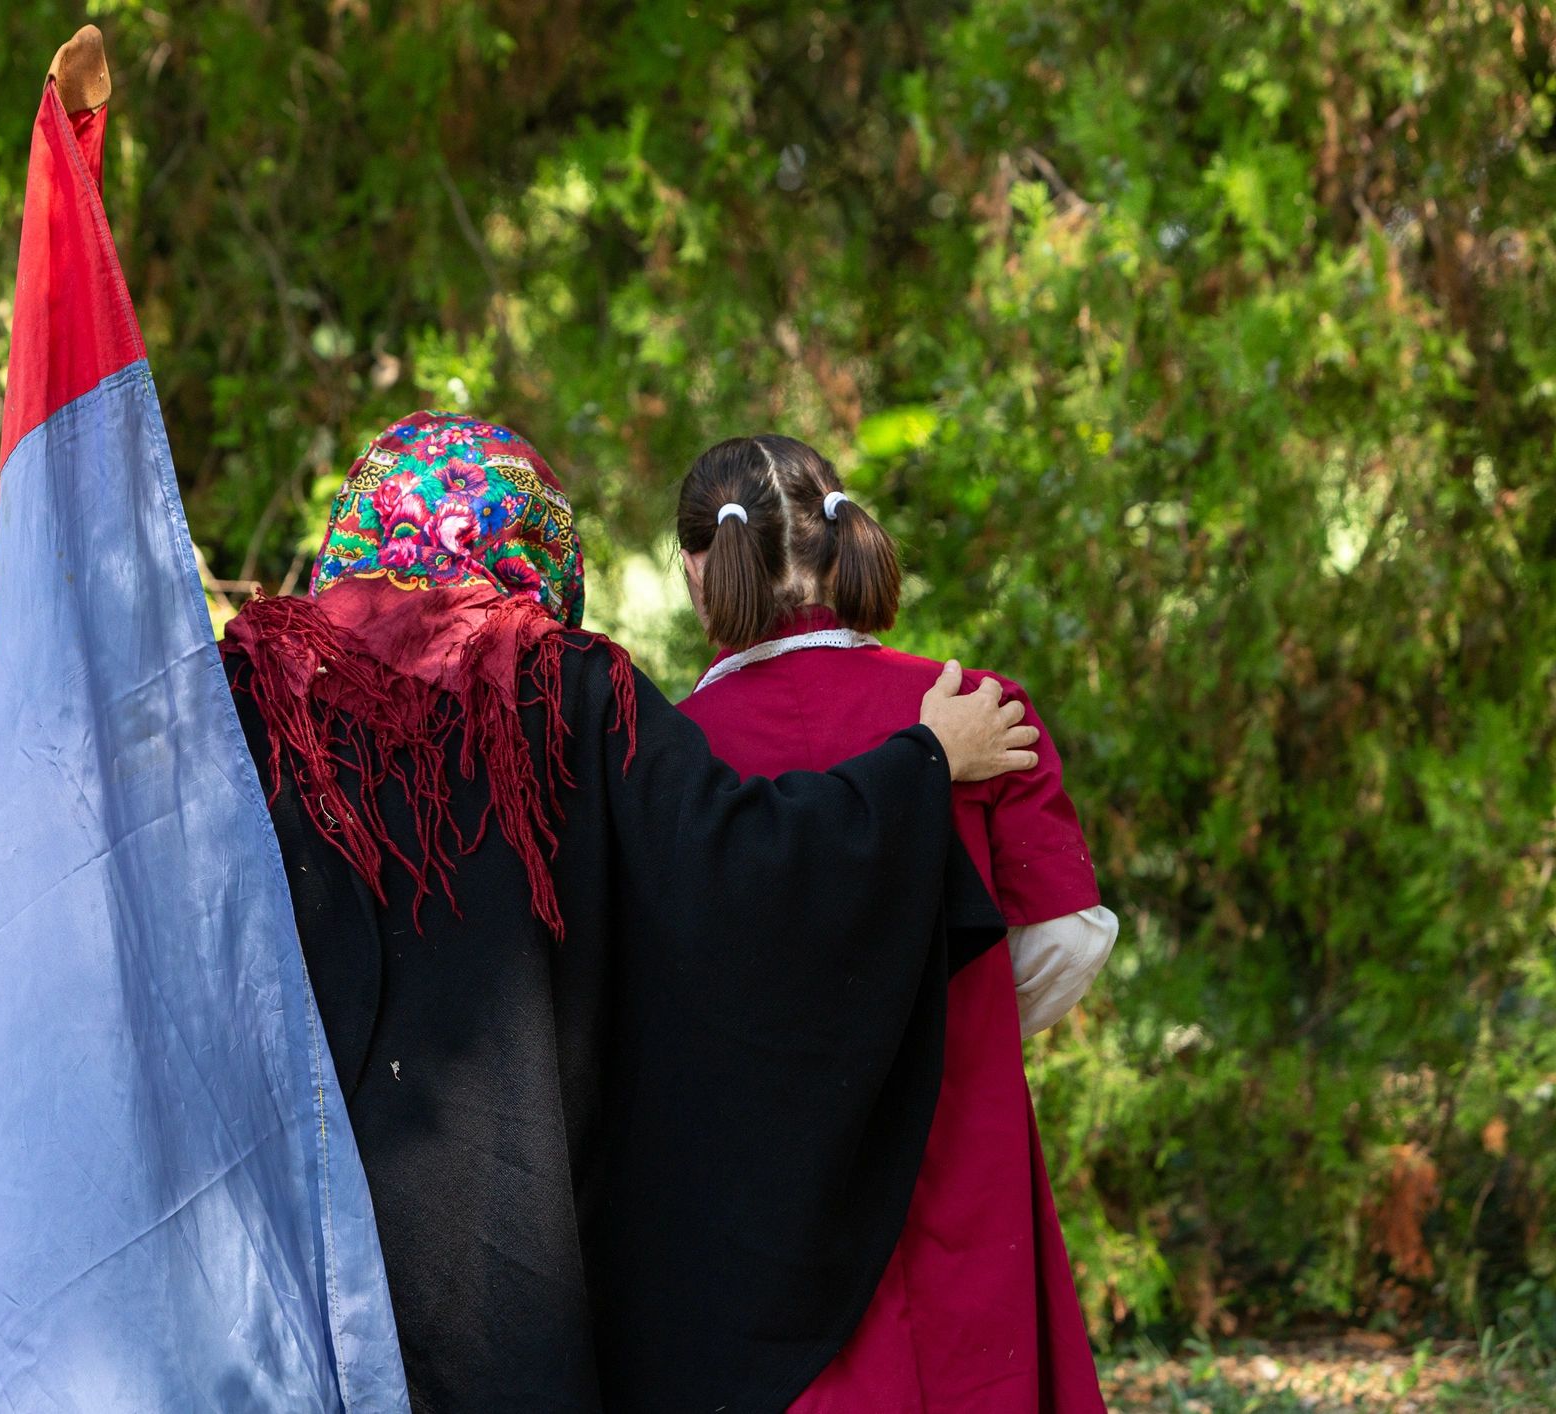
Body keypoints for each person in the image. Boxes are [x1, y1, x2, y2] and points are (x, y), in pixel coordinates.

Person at [222, 409, 1039, 1412]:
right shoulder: (570, 691)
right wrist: (922, 763)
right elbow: (745, 872)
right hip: (508, 1257)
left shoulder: (246, 692)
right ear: (532, 538)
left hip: (281, 1229)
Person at [673, 433, 1118, 1413]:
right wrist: (943, 1022)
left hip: (775, 1193)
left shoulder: (671, 758)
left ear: (699, 567)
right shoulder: (978, 710)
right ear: (839, 541)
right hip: (961, 1140)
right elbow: (1067, 939)